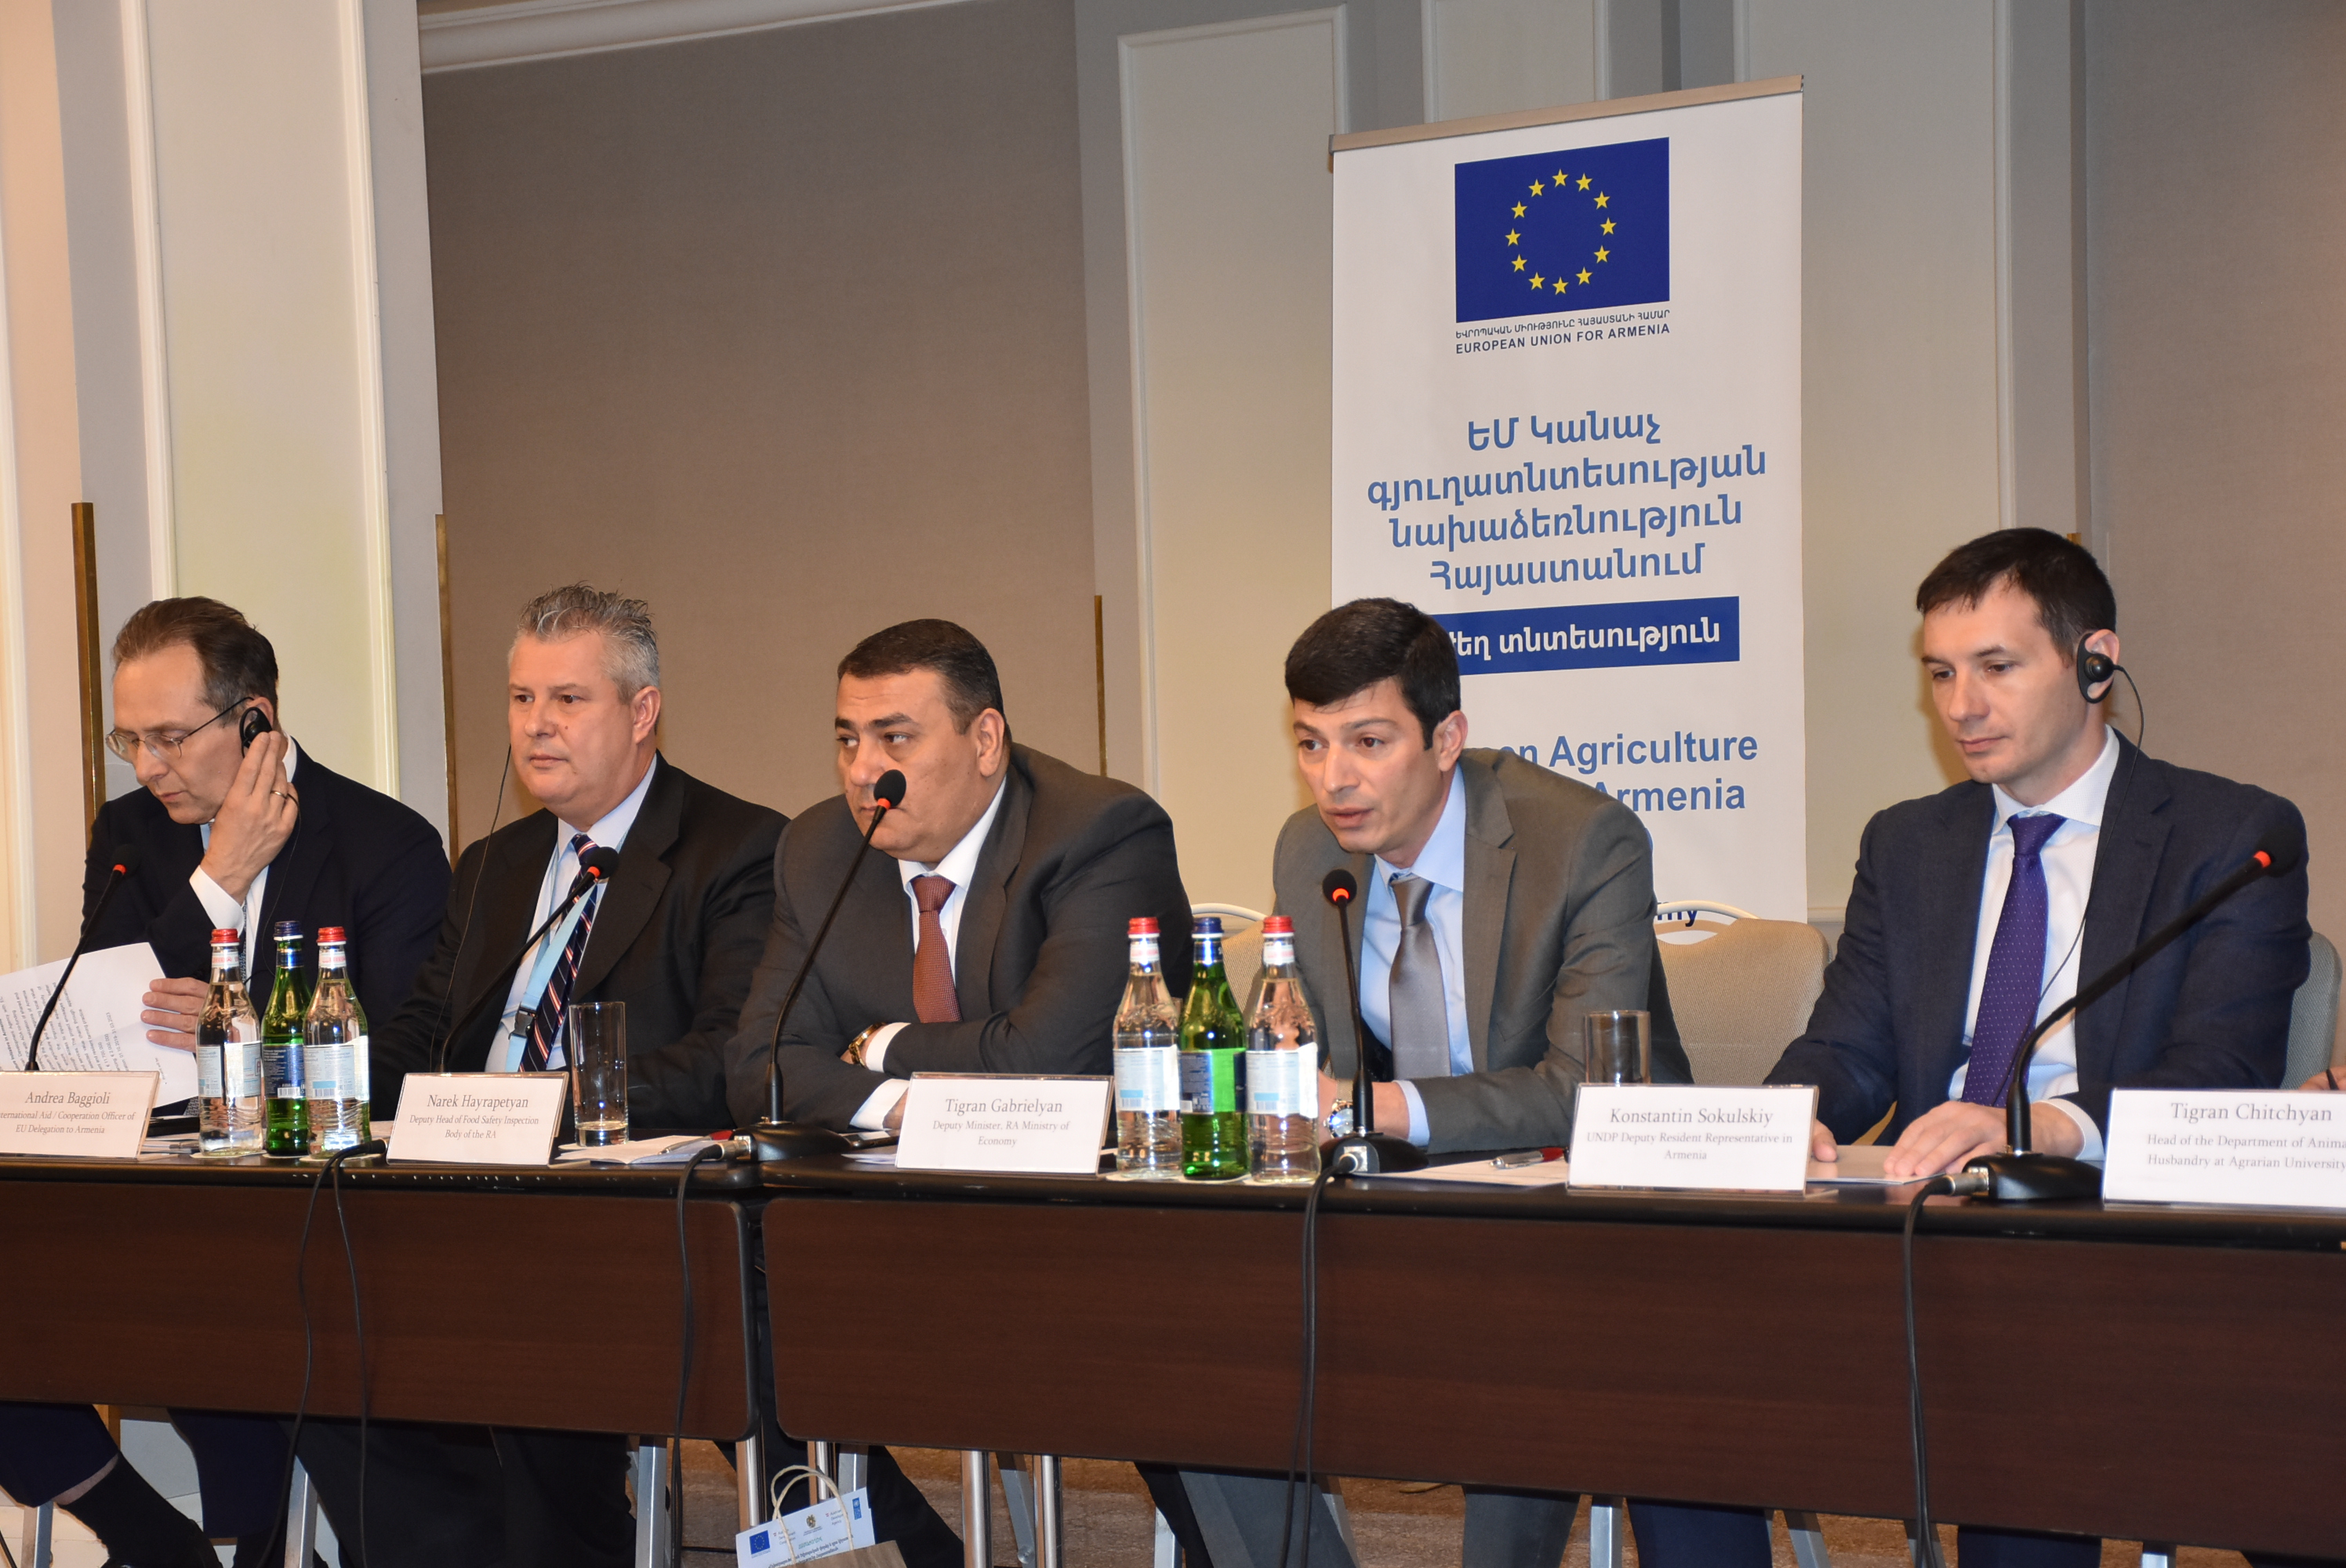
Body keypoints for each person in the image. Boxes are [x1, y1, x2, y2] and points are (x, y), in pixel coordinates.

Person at [1157, 597, 1756, 1568]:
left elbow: (1590, 1089)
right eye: (1309, 743)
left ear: (1446, 739)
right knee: (1192, 1330)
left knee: (1517, 1340)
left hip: (1577, 1205)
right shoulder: (1309, 851)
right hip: (1396, 1198)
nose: (1333, 778)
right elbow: (1302, 1057)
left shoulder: (1583, 839)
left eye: (1367, 741)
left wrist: (1369, 1106)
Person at [1763, 528, 2311, 1567]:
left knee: (2026, 1412)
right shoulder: (1906, 843)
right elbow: (1851, 1045)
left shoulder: (2227, 837)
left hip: (2111, 1237)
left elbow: (2221, 1071)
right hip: (1928, 1224)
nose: (1960, 705)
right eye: (1940, 673)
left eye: (1996, 667)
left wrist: (2044, 1127)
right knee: (1675, 1367)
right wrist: (1786, 1120)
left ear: (2094, 662)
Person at [304, 585, 786, 1568]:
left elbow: (724, 1059)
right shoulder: (495, 861)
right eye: (522, 698)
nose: (535, 724)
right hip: (455, 1199)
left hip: (614, 1215)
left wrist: (539, 1112)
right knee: (312, 1326)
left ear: (642, 711)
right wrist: (327, 1090)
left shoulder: (736, 847)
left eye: (568, 699)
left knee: (528, 1346)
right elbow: (424, 1031)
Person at [720, 618, 1192, 1568]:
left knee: (1195, 1343)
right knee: (732, 1302)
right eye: (848, 738)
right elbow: (760, 1064)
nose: (864, 770)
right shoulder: (820, 847)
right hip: (890, 1218)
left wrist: (880, 1047)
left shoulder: (1098, 832)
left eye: (895, 737)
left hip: (1085, 1222)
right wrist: (907, 1105)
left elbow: (1052, 1060)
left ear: (985, 740)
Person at [0, 597, 451, 1567]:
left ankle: (259, 1543)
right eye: (130, 738)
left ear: (255, 721)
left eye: (169, 736)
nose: (146, 765)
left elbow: (399, 1065)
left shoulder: (387, 844)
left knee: (216, 1308)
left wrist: (235, 1033)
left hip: (312, 1210)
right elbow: (119, 1019)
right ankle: (152, 1537)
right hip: (150, 1190)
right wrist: (220, 876)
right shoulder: (131, 832)